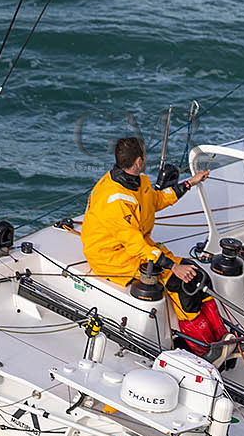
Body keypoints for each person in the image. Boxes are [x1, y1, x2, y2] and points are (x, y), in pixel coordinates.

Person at [81, 136, 226, 354]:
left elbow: (156, 200)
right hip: (113, 257)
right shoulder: (115, 200)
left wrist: (190, 182)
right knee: (180, 283)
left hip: (138, 247)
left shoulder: (138, 182)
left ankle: (222, 337)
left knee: (197, 276)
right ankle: (202, 348)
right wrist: (173, 266)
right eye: (145, 156)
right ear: (138, 161)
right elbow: (135, 245)